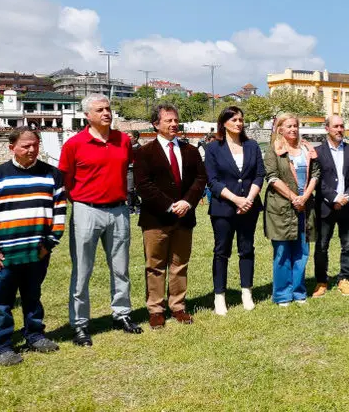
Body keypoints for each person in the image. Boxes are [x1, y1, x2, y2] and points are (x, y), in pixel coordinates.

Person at [0, 128, 66, 365]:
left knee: (33, 296)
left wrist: (50, 242)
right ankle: (1, 346)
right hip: (4, 253)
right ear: (11, 147)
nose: (32, 150)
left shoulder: (52, 175)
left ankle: (34, 335)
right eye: (26, 146)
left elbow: (60, 212)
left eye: (35, 144)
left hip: (37, 250)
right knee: (1, 301)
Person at [59, 94, 142, 346]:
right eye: (100, 110)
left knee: (121, 267)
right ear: (87, 115)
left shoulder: (123, 140)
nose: (106, 113)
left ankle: (122, 314)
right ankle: (80, 324)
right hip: (87, 210)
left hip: (118, 210)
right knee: (82, 270)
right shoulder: (74, 144)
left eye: (108, 108)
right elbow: (66, 180)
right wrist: (81, 202)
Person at [133, 104, 207, 329]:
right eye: (168, 121)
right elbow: (143, 185)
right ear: (156, 124)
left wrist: (187, 202)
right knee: (155, 265)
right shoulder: (144, 152)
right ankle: (156, 310)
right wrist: (169, 205)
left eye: (176, 120)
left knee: (179, 264)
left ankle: (178, 307)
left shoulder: (190, 151)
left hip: (184, 218)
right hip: (156, 219)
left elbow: (200, 179)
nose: (174, 124)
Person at [204, 106, 265, 315]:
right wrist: (236, 199)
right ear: (223, 123)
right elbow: (212, 180)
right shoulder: (213, 148)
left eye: (241, 120)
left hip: (249, 206)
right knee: (222, 251)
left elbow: (259, 175)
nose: (238, 123)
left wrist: (248, 199)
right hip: (223, 208)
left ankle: (246, 291)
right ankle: (219, 296)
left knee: (247, 249)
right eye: (234, 120)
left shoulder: (252, 146)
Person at [263, 114, 320, 306]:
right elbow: (272, 177)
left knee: (302, 251)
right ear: (280, 129)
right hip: (281, 208)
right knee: (282, 252)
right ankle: (282, 294)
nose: (293, 129)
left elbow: (315, 174)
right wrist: (293, 197)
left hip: (305, 206)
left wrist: (304, 197)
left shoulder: (307, 149)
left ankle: (298, 291)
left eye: (295, 126)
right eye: (288, 126)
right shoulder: (274, 151)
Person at [312, 115, 349, 297]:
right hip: (325, 207)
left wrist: (346, 197)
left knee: (348, 244)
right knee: (321, 246)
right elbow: (316, 180)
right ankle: (321, 281)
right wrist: (334, 198)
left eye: (342, 126)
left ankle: (345, 278)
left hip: (348, 206)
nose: (340, 129)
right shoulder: (317, 152)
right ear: (327, 128)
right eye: (336, 126)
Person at [127, 131, 141, 215]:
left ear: (135, 138)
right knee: (129, 190)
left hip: (134, 170)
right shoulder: (125, 147)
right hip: (125, 169)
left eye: (129, 136)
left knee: (131, 189)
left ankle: (135, 206)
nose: (127, 138)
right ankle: (132, 207)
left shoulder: (140, 148)